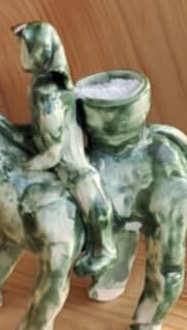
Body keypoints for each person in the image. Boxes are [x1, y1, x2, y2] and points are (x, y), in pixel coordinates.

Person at [13, 21, 115, 278]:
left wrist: (24, 168)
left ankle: (104, 249)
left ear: (42, 51)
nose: (22, 54)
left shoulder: (49, 94)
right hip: (44, 148)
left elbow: (54, 152)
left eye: (27, 47)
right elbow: (40, 129)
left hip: (69, 160)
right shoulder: (39, 84)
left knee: (92, 199)